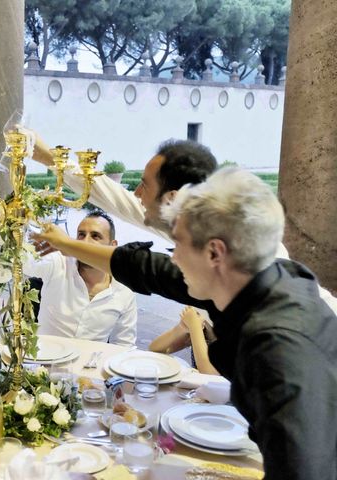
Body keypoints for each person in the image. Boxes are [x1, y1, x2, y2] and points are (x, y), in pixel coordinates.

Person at [33, 168, 337, 480]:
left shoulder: (280, 349)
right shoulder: (247, 275)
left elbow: (304, 469)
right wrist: (67, 245)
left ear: (214, 252)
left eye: (176, 246)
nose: (173, 259)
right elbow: (151, 270)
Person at [33, 136, 337, 313]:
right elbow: (115, 200)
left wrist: (66, 244)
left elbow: (152, 270)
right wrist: (50, 158)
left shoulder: (230, 250)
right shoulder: (192, 220)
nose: (136, 194)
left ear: (173, 197)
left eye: (143, 186)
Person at [24, 211, 137, 346]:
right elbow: (24, 264)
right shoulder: (58, 262)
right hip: (45, 361)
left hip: (91, 365)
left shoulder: (124, 291)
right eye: (81, 235)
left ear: (112, 246)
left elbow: (123, 344)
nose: (85, 241)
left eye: (95, 236)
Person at [149, 306, 218, 375]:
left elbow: (209, 372)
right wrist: (181, 327)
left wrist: (194, 326)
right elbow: (154, 348)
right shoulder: (204, 320)